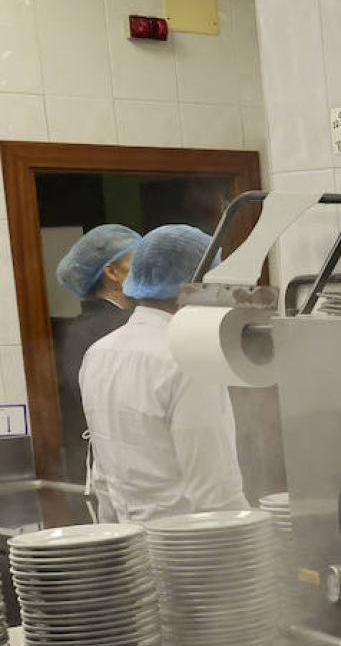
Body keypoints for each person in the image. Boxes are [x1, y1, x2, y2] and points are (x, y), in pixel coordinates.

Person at [78, 224, 248, 523]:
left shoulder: (98, 354)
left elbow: (102, 475)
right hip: (190, 550)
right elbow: (215, 491)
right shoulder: (189, 360)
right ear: (195, 286)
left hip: (128, 545)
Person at [52, 224, 140, 484]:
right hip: (116, 469)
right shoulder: (97, 331)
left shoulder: (81, 329)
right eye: (139, 259)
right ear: (111, 272)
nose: (149, 268)